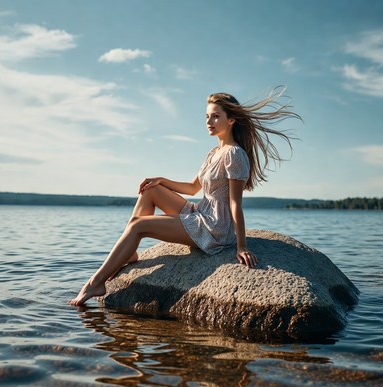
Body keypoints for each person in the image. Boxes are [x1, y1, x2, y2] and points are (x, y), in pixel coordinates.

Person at [70, 87, 300, 306]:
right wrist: (162, 180)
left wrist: (241, 246)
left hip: (215, 228)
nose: (209, 122)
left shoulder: (234, 154)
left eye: (215, 117)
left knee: (138, 225)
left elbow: (235, 203)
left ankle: (95, 283)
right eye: (207, 117)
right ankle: (129, 252)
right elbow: (192, 188)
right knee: (151, 189)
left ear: (231, 120)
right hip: (201, 213)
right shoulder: (214, 152)